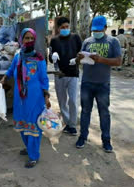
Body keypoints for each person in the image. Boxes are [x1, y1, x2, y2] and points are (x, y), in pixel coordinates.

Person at [0, 28, 50, 168]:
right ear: (21, 40)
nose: (29, 41)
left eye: (31, 38)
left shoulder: (39, 58)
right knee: (22, 124)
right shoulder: (18, 57)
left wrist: (46, 96)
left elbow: (43, 78)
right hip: (20, 99)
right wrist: (3, 79)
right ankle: (28, 148)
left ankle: (34, 156)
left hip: (35, 98)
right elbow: (10, 70)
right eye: (26, 38)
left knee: (34, 125)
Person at [75, 16, 122, 152]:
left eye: (99, 30)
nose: (96, 32)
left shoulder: (113, 41)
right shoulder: (87, 41)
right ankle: (82, 137)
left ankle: (106, 140)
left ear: (105, 28)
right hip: (87, 82)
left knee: (104, 113)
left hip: (103, 84)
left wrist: (101, 59)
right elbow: (79, 61)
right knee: (85, 111)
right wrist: (79, 58)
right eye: (94, 30)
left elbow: (118, 61)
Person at [49, 17, 82, 136]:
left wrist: (77, 58)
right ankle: (67, 123)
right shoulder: (54, 40)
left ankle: (73, 125)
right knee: (62, 101)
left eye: (67, 27)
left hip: (73, 73)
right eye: (62, 27)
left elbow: (82, 53)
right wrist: (53, 56)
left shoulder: (75, 38)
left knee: (73, 100)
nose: (65, 29)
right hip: (60, 74)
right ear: (58, 28)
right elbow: (50, 57)